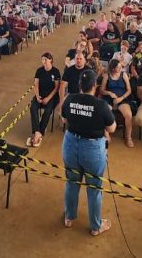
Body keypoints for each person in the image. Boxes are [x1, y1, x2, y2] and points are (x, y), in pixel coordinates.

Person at [61, 69, 116, 236]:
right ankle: (95, 227)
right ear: (95, 86)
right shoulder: (101, 105)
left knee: (72, 182)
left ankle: (69, 218)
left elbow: (64, 119)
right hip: (92, 149)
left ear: (80, 85)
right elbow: (112, 128)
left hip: (70, 144)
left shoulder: (69, 98)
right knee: (94, 187)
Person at [27, 53, 61, 148]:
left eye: (46, 59)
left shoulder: (55, 71)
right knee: (33, 108)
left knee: (48, 110)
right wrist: (37, 96)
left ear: (51, 60)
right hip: (40, 94)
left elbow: (56, 88)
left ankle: (39, 132)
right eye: (42, 59)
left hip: (52, 96)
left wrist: (48, 98)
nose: (44, 61)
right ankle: (37, 131)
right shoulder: (39, 71)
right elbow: (36, 84)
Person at [99, 58, 134, 147]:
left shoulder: (124, 75)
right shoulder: (107, 76)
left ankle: (128, 137)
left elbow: (129, 90)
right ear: (113, 68)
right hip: (109, 98)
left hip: (122, 98)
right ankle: (106, 135)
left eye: (120, 67)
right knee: (104, 112)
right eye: (118, 67)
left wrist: (121, 98)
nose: (120, 69)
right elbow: (101, 90)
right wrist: (109, 93)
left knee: (128, 115)